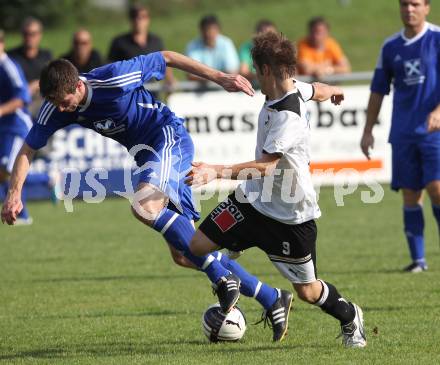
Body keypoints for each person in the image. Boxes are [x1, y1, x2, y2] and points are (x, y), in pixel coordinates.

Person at [1, 50, 293, 341]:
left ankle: (221, 277)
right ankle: (271, 297)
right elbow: (28, 149)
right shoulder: (56, 106)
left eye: (65, 103)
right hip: (150, 158)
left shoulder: (114, 79)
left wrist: (220, 77)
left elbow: (166, 57)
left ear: (78, 86)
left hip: (168, 138)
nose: (62, 110)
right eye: (56, 104)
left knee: (144, 206)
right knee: (184, 253)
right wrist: (14, 194)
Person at [187, 31, 366, 348]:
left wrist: (215, 171)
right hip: (250, 202)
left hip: (289, 218)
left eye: (257, 70)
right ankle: (240, 284)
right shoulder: (293, 88)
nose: (255, 76)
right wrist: (335, 90)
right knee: (197, 247)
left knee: (308, 291)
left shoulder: (288, 117)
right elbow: (318, 90)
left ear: (266, 70)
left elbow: (267, 166)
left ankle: (350, 315)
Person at [361, 0, 440, 273]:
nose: (409, 9)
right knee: (410, 194)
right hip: (403, 133)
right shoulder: (390, 47)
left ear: (427, 8)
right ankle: (418, 261)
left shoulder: (437, 39)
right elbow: (377, 90)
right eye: (405, 4)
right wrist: (368, 129)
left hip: (434, 133)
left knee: (436, 188)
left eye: (415, 4)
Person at [0, 30, 54, 225]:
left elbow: (22, 97)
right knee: (2, 173)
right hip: (3, 128)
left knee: (7, 169)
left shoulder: (8, 67)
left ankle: (46, 180)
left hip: (16, 127)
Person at [107, 3, 174, 87]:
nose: (139, 20)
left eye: (143, 16)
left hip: (153, 94)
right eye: (135, 16)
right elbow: (111, 68)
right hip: (130, 94)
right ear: (131, 20)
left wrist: (170, 80)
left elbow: (165, 62)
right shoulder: (119, 42)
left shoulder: (156, 41)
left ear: (148, 19)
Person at [8, 17, 53, 114]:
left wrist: (36, 85)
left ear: (40, 35)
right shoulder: (11, 57)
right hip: (18, 101)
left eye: (33, 34)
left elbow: (52, 81)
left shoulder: (46, 56)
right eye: (26, 34)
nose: (29, 37)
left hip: (42, 99)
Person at [185, 15, 239, 81]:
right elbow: (191, 75)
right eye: (206, 30)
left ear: (218, 30)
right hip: (199, 89)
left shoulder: (226, 43)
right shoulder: (192, 45)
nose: (209, 33)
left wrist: (207, 75)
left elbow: (232, 71)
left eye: (212, 29)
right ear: (201, 30)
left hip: (223, 88)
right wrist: (217, 76)